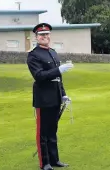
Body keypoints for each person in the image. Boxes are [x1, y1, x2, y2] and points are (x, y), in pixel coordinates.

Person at [27, 23, 74, 170]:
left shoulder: (53, 52)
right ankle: (45, 163)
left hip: (55, 96)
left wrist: (64, 94)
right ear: (36, 37)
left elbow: (58, 78)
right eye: (41, 35)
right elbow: (39, 76)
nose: (45, 37)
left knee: (53, 131)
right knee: (43, 132)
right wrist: (58, 70)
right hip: (43, 97)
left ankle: (55, 160)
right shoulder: (33, 55)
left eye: (47, 34)